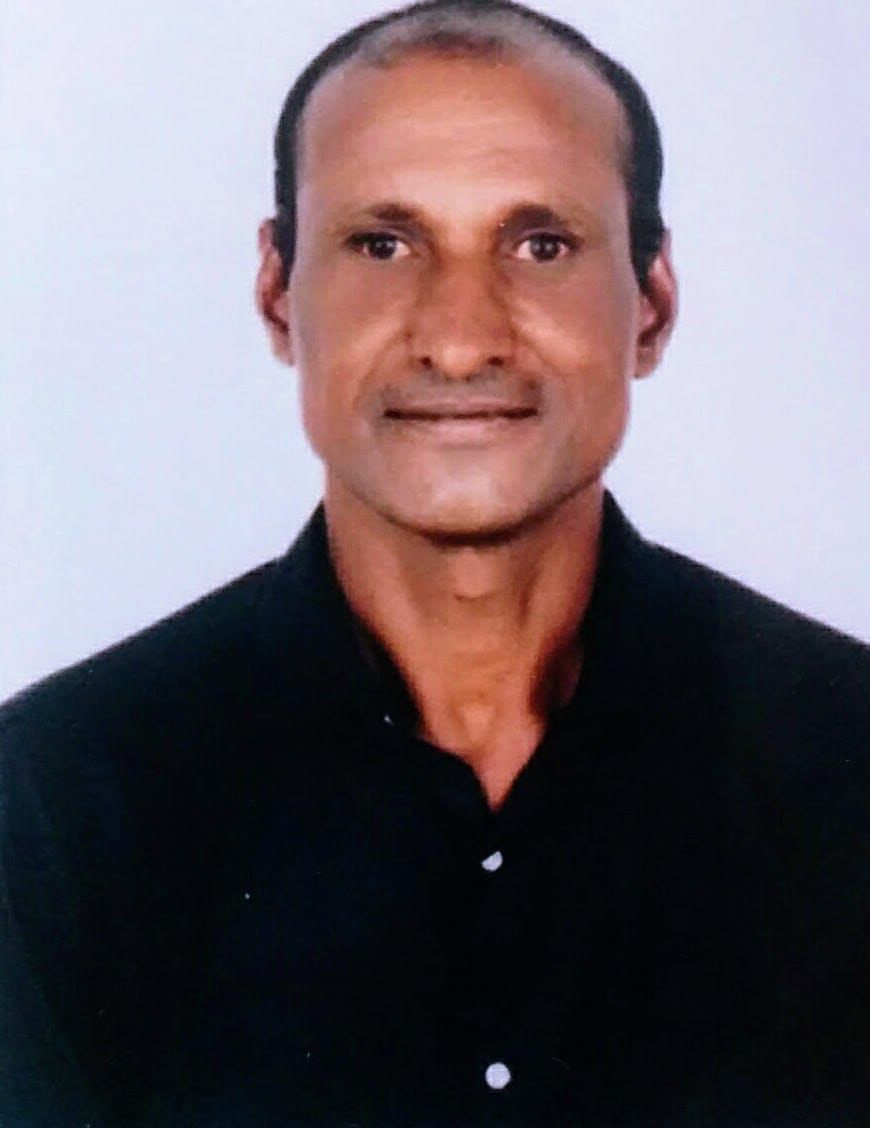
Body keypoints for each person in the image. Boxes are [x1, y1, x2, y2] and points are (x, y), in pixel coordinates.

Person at [2, 0, 868, 1124]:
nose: (459, 341)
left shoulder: (847, 762)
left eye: (540, 244)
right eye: (383, 243)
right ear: (277, 292)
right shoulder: (52, 808)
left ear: (651, 305)